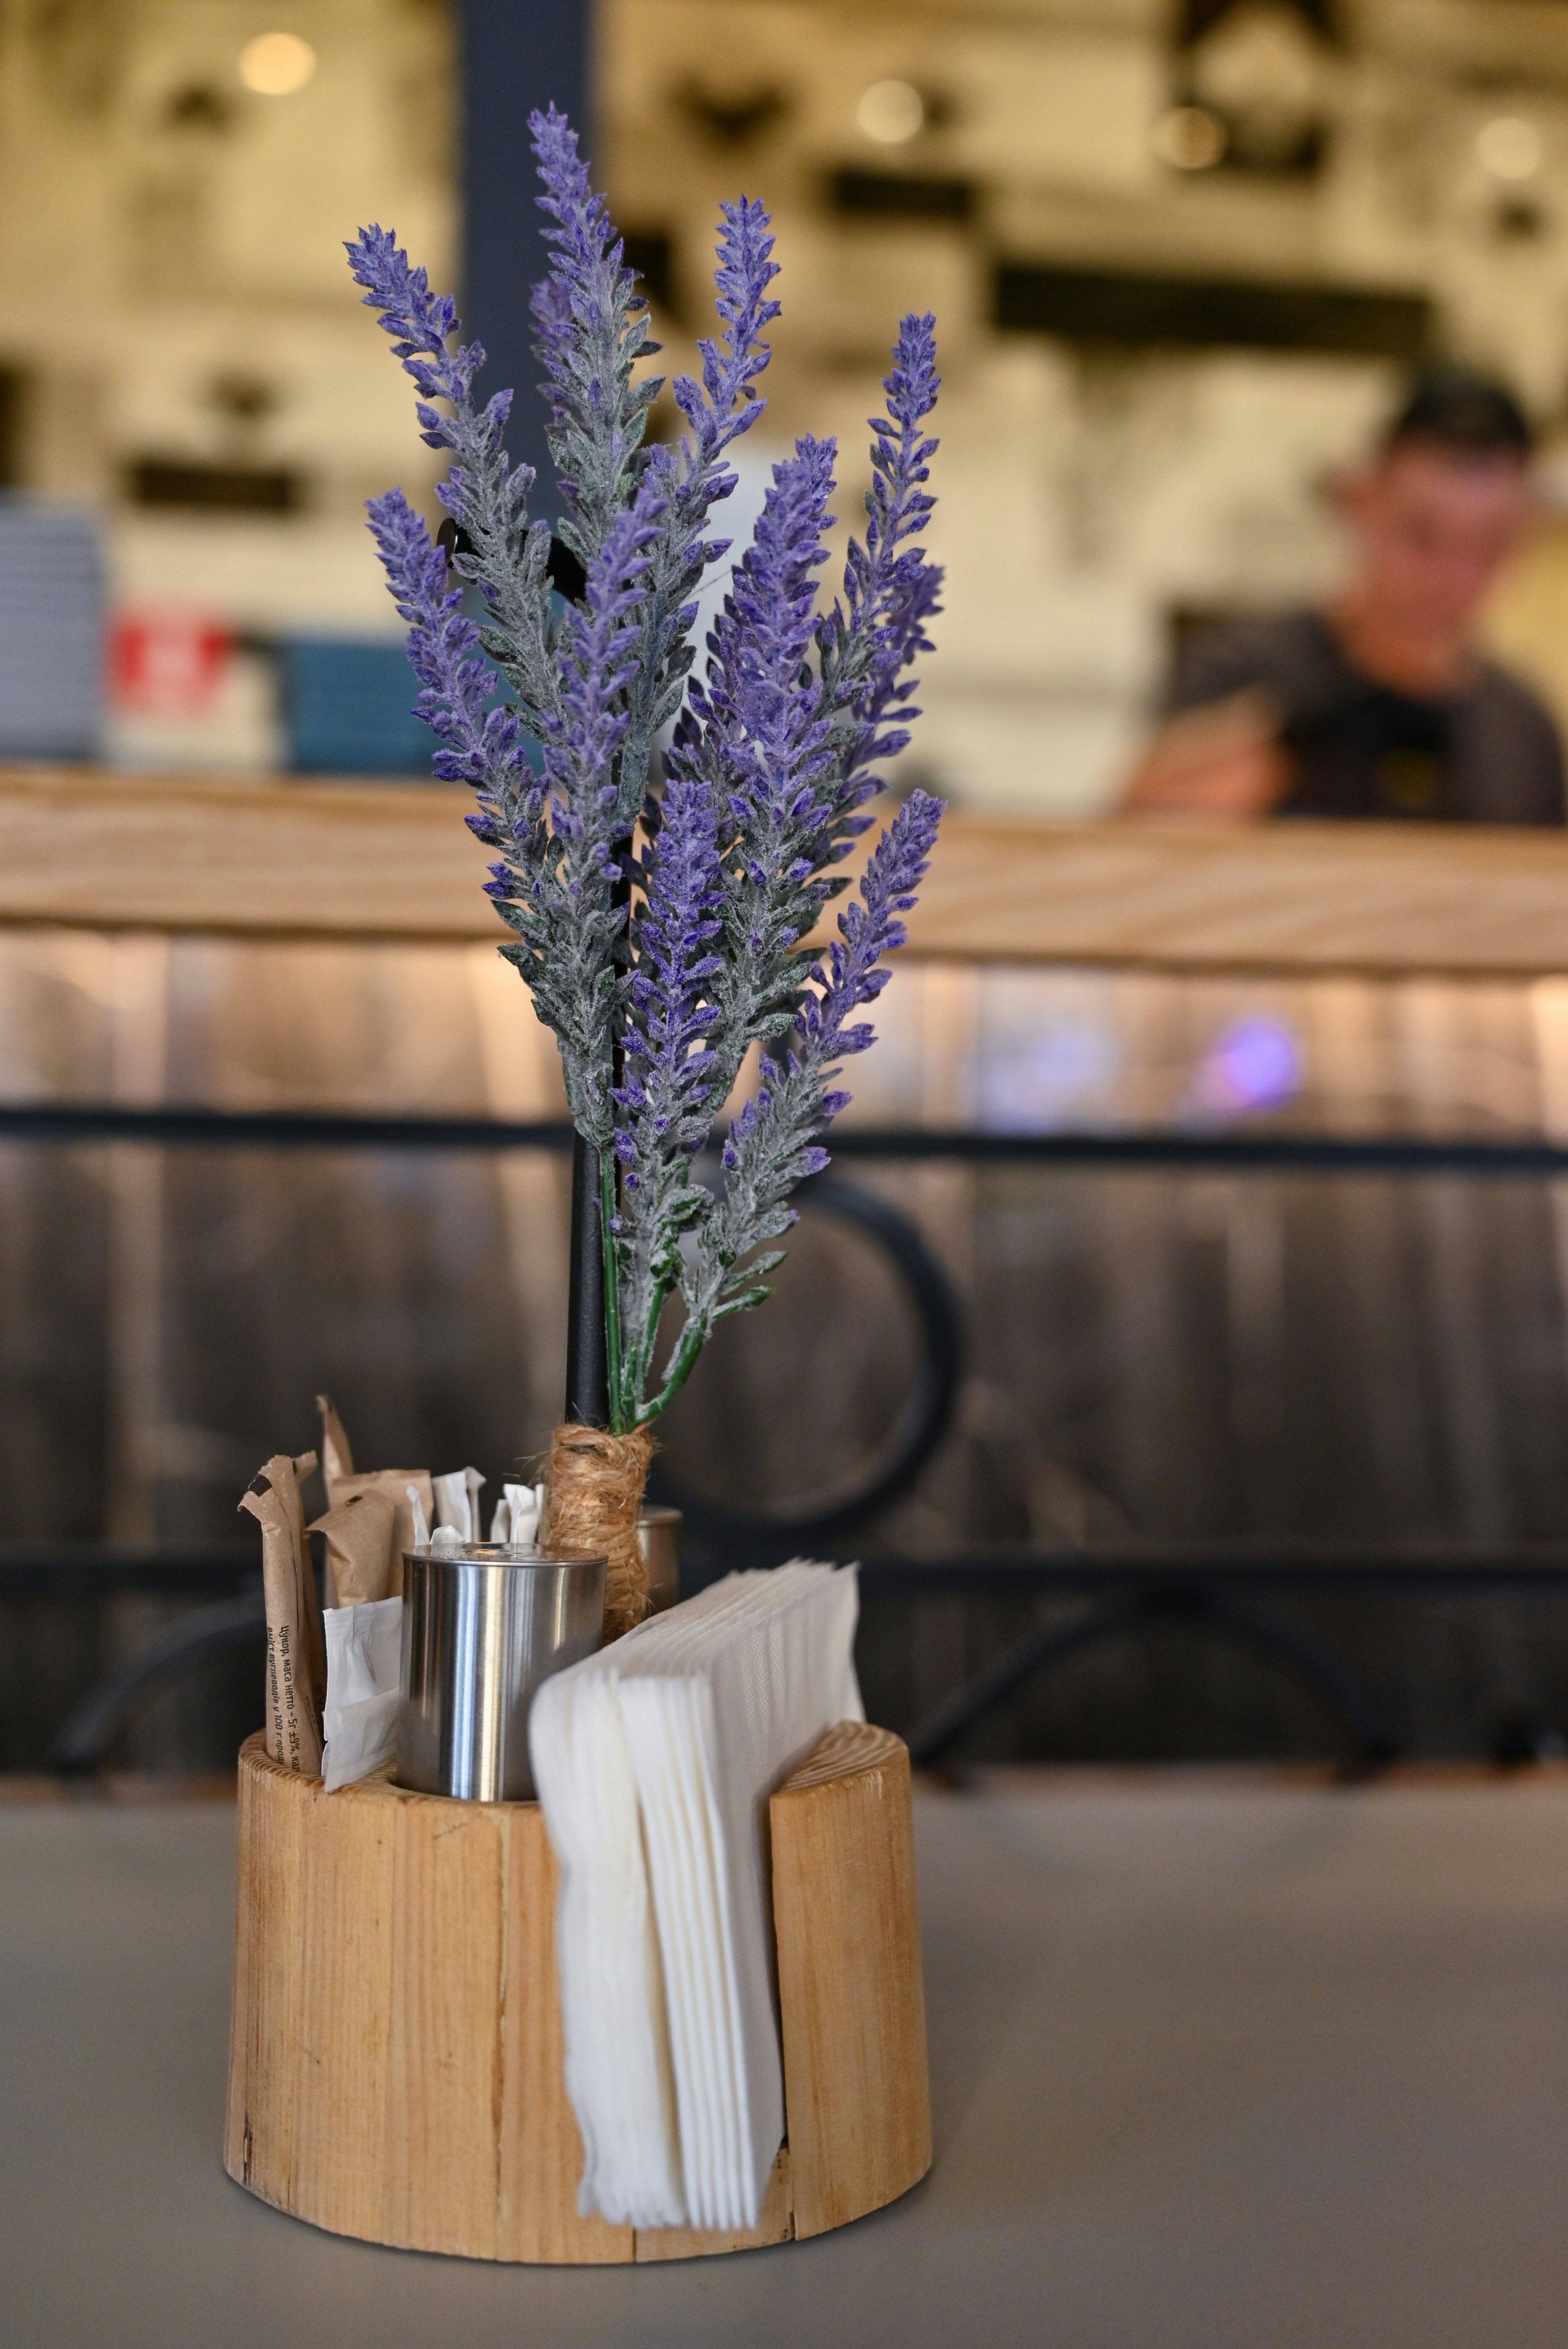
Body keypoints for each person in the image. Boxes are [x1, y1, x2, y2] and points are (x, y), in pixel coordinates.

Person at [1119, 366, 1565, 825]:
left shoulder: (1521, 726)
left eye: (1487, 545)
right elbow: (1129, 833)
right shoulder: (1245, 668)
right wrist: (1294, 742)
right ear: (1362, 503)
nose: (1452, 575)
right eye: (1421, 535)